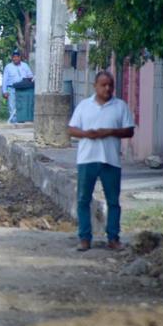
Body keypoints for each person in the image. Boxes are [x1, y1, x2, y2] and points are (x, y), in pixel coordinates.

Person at [67, 70, 135, 251]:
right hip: (87, 159)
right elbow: (72, 129)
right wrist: (86, 134)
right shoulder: (84, 106)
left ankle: (113, 238)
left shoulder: (120, 106)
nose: (107, 88)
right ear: (95, 86)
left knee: (113, 201)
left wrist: (110, 131)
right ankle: (84, 238)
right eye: (104, 85)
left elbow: (129, 131)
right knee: (83, 199)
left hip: (111, 160)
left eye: (110, 85)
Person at [2, 49, 33, 124]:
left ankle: (21, 120)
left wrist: (29, 78)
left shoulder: (25, 65)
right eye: (14, 57)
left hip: (23, 89)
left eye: (17, 57)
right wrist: (4, 91)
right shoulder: (8, 67)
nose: (15, 58)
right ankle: (13, 121)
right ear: (12, 58)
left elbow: (30, 75)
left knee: (22, 105)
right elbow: (4, 80)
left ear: (20, 57)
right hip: (11, 88)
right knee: (12, 105)